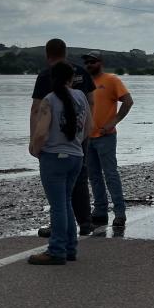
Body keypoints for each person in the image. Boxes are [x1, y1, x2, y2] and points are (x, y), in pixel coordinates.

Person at [31, 39, 95, 238]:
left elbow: (36, 110)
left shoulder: (45, 77)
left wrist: (34, 143)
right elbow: (92, 103)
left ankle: (57, 239)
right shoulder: (82, 74)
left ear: (47, 54)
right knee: (79, 180)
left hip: (54, 146)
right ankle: (84, 222)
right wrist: (79, 136)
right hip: (78, 140)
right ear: (65, 52)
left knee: (58, 198)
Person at [28, 62, 90, 264]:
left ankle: (56, 250)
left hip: (54, 156)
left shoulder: (50, 100)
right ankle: (70, 248)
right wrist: (75, 144)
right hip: (76, 156)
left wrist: (35, 149)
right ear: (71, 78)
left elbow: (42, 131)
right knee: (65, 203)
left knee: (57, 206)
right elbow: (89, 126)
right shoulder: (81, 97)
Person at [82, 51, 133, 229]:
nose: (89, 65)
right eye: (87, 62)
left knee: (111, 175)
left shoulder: (111, 80)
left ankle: (120, 213)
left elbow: (128, 101)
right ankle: (100, 211)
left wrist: (113, 122)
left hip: (106, 137)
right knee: (94, 176)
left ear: (100, 63)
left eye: (92, 62)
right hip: (87, 137)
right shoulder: (84, 82)